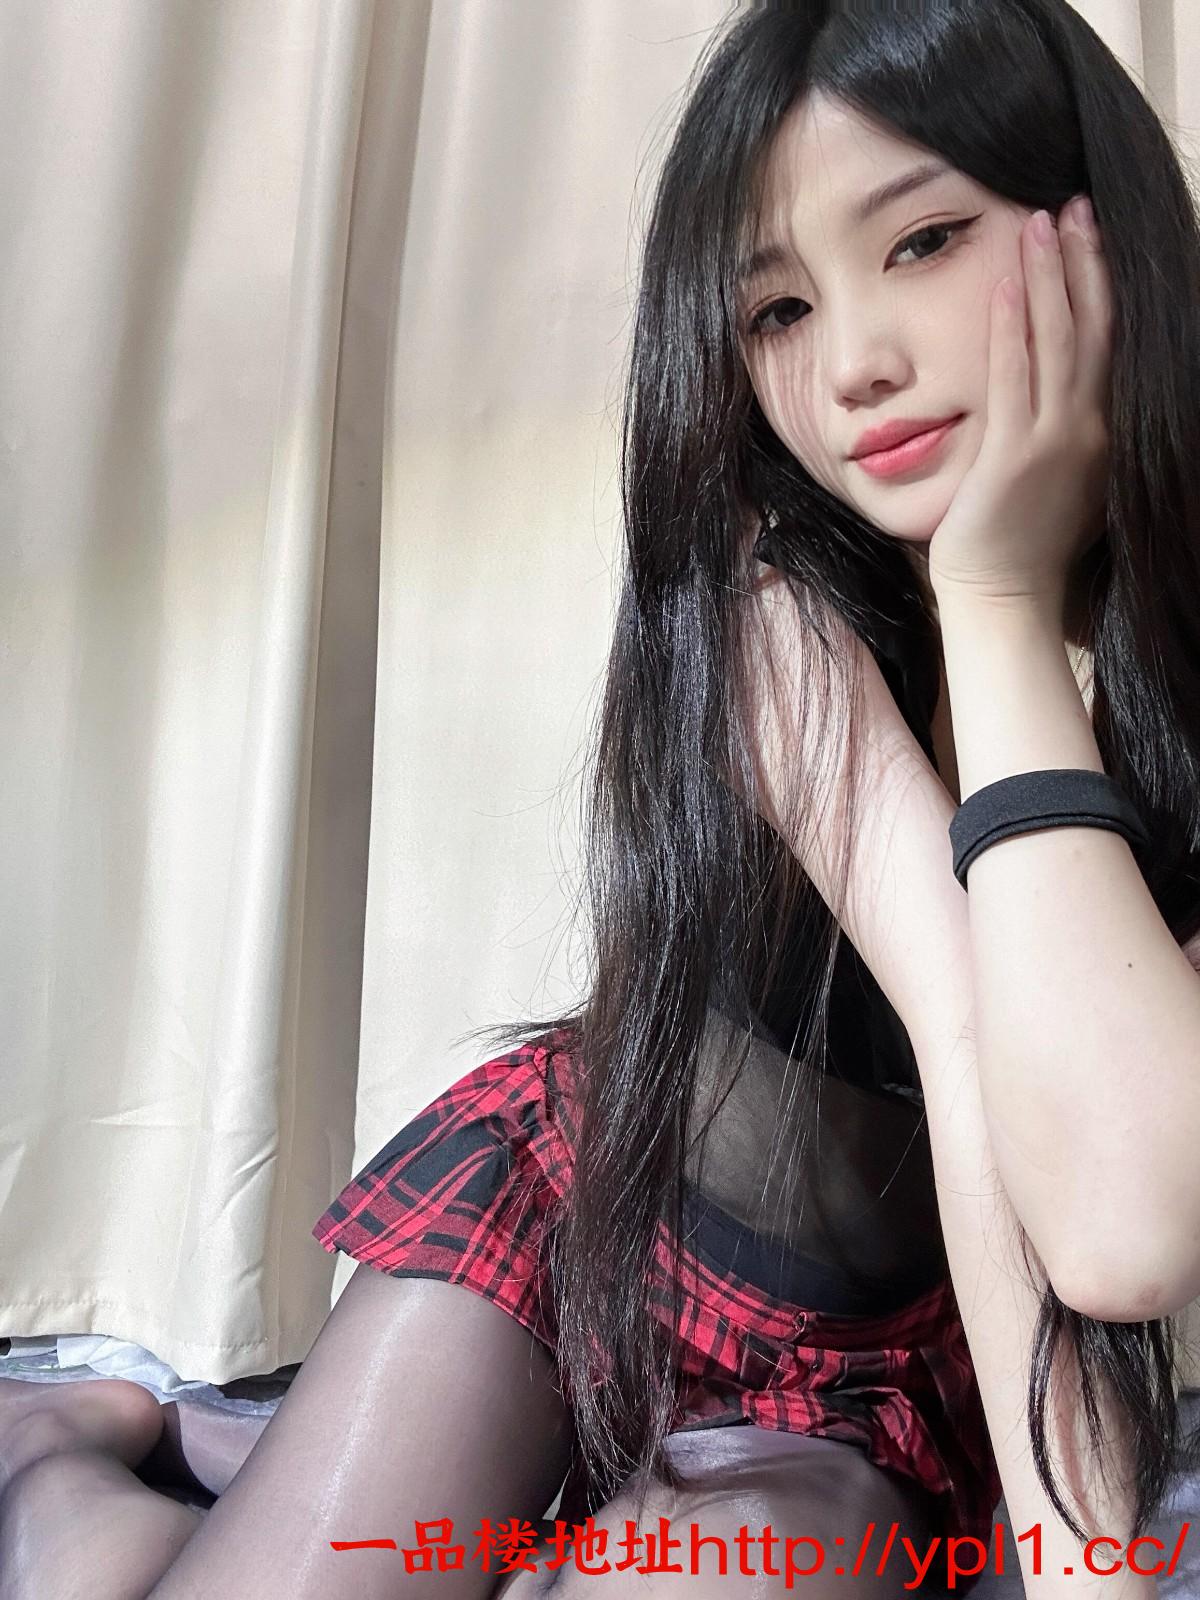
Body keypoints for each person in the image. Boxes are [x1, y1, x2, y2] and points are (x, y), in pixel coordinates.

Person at [4, 3, 1200, 1595]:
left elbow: (1123, 1226)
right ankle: (63, 1451)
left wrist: (1003, 602)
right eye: (777, 309)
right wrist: (985, 592)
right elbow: (967, 1027)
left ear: (1097, 225)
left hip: (864, 1372)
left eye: (921, 241)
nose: (856, 362)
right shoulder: (781, 613)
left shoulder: (1177, 663)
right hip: (586, 1236)